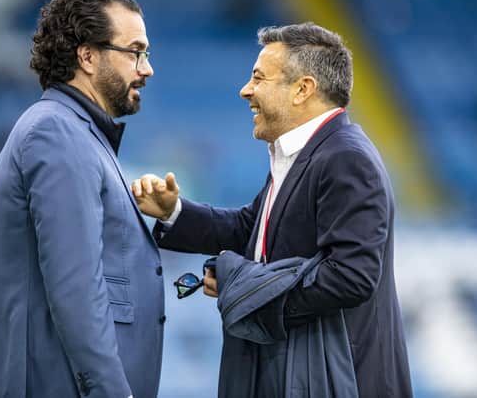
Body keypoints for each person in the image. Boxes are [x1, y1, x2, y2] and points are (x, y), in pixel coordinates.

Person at [133, 23, 413, 397]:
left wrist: (245, 288)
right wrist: (173, 212)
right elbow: (251, 229)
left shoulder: (345, 158)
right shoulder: (307, 153)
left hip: (342, 381)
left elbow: (351, 277)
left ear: (303, 89)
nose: (245, 90)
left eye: (259, 78)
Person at [0, 0, 164, 398]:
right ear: (87, 57)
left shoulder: (76, 132)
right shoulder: (57, 132)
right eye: (135, 52)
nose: (146, 69)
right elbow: (77, 288)